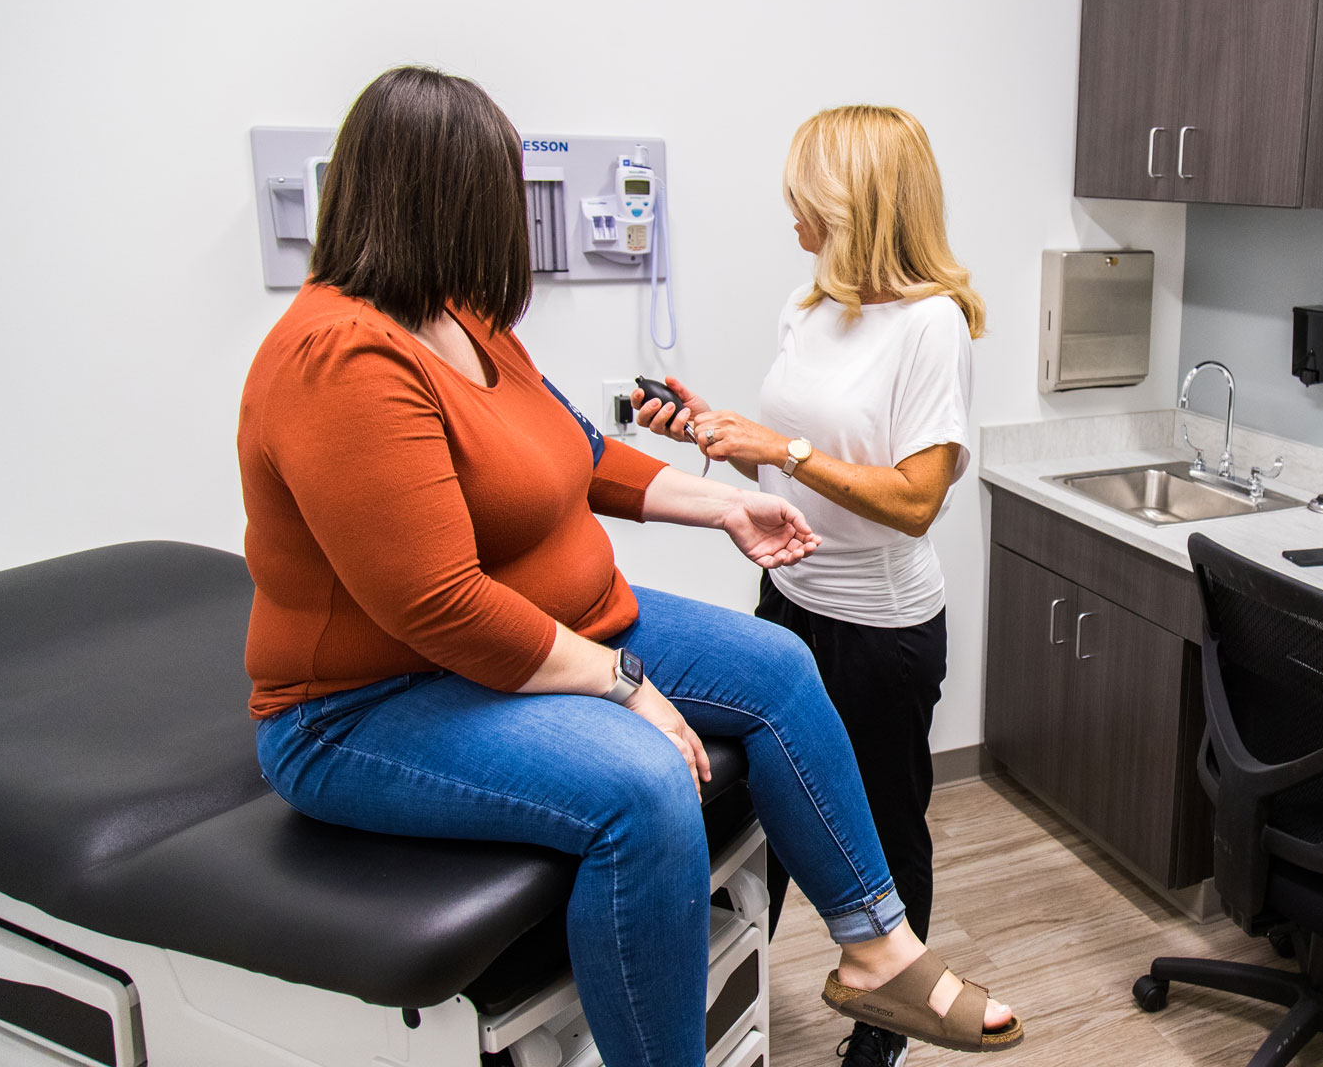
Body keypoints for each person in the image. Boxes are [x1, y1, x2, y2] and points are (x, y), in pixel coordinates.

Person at [238, 68, 1020, 1067]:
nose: (515, 222)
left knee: (780, 668)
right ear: (447, 198)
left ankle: (877, 947)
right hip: (368, 702)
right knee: (645, 781)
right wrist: (622, 683)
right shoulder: (339, 358)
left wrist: (727, 500)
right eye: (502, 193)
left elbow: (584, 453)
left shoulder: (464, 321)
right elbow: (436, 606)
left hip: (538, 627)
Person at [634, 104, 982, 1067]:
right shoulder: (810, 306)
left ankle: (887, 1031)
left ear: (856, 204)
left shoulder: (931, 328)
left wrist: (779, 444)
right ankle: (724, 1010)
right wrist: (722, 435)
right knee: (766, 820)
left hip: (881, 629)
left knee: (877, 827)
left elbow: (914, 500)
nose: (793, 219)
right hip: (790, 605)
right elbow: (792, 472)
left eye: (806, 202)